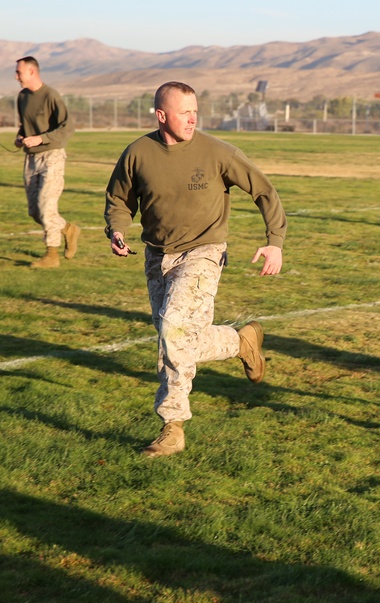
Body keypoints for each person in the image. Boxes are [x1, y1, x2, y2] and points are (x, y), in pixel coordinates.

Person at [104, 81, 287, 458]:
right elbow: (119, 199)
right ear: (161, 115)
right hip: (157, 256)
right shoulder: (138, 152)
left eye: (195, 111)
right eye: (184, 112)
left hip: (204, 252)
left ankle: (173, 427)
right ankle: (241, 342)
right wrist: (117, 230)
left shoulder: (217, 152)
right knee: (175, 338)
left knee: (173, 329)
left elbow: (264, 191)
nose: (192, 118)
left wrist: (275, 241)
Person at [14, 56, 78, 268]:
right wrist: (20, 137)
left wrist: (41, 138)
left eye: (19, 73)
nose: (16, 77)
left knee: (46, 206)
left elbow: (67, 128)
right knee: (35, 211)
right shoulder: (22, 97)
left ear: (32, 72)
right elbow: (25, 126)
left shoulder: (51, 96)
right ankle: (68, 229)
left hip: (52, 156)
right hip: (31, 159)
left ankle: (52, 255)